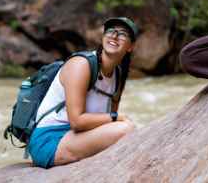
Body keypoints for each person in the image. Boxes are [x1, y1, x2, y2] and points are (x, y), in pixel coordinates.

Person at [28, 17, 138, 168]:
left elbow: (106, 122)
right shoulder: (81, 65)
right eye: (111, 30)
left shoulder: (118, 75)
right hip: (50, 139)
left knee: (125, 128)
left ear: (131, 46)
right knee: (125, 129)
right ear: (103, 36)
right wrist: (117, 116)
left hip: (78, 137)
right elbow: (77, 122)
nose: (114, 35)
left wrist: (116, 118)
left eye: (123, 33)